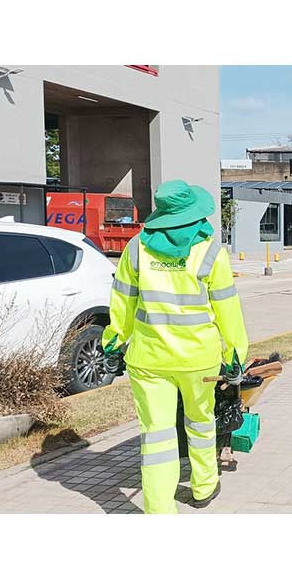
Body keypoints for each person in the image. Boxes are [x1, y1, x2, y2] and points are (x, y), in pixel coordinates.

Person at [101, 180, 248, 514]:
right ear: (194, 215)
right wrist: (235, 353)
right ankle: (204, 486)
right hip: (199, 359)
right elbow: (228, 308)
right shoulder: (211, 251)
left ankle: (159, 511)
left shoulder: (136, 248)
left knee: (156, 436)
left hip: (149, 360)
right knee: (200, 421)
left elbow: (122, 302)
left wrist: (114, 338)